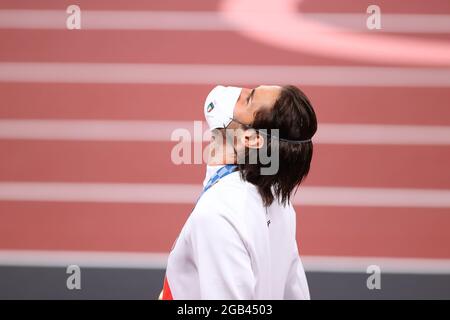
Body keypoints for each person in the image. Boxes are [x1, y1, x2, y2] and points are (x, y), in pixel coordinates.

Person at [160, 84, 317, 299]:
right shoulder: (281, 203)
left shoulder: (218, 214)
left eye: (248, 99)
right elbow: (296, 293)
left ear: (251, 139)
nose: (239, 92)